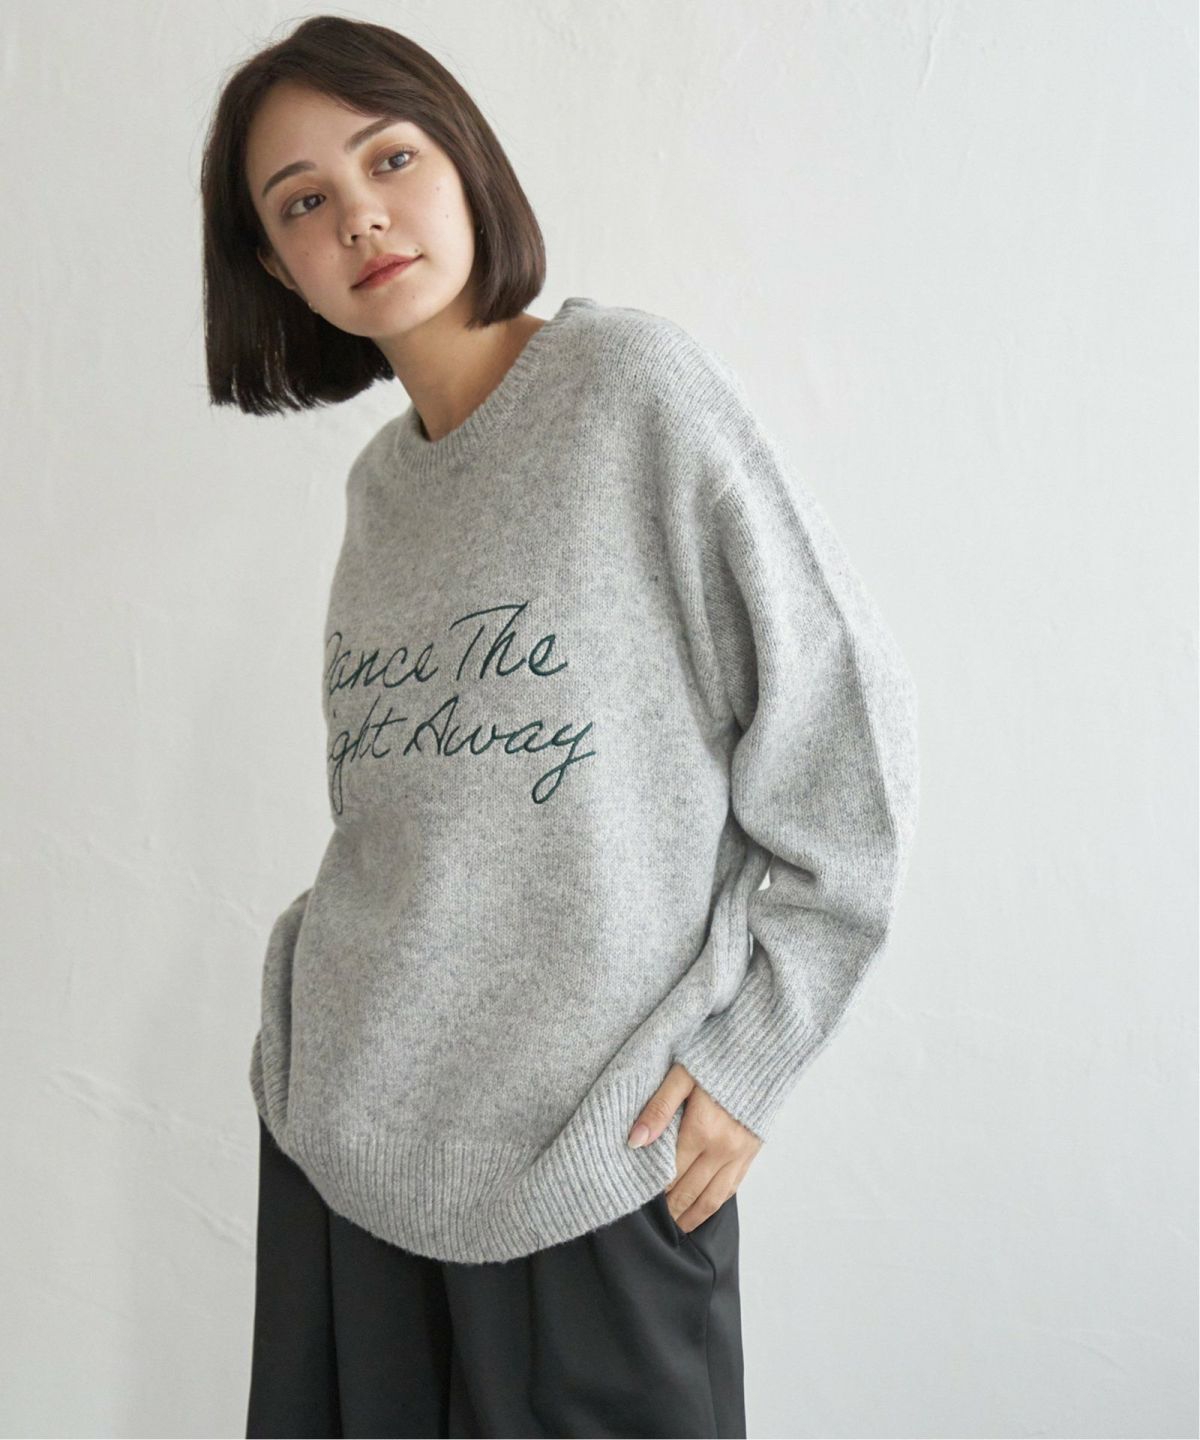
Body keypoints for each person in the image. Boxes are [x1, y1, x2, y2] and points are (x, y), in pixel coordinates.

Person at [201, 15, 920, 1439]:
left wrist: (750, 1055)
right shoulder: (379, 488)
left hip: (596, 1159)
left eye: (388, 159)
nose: (360, 218)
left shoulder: (631, 391)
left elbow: (841, 735)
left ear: (462, 159)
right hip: (347, 1148)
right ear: (277, 268)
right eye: (302, 203)